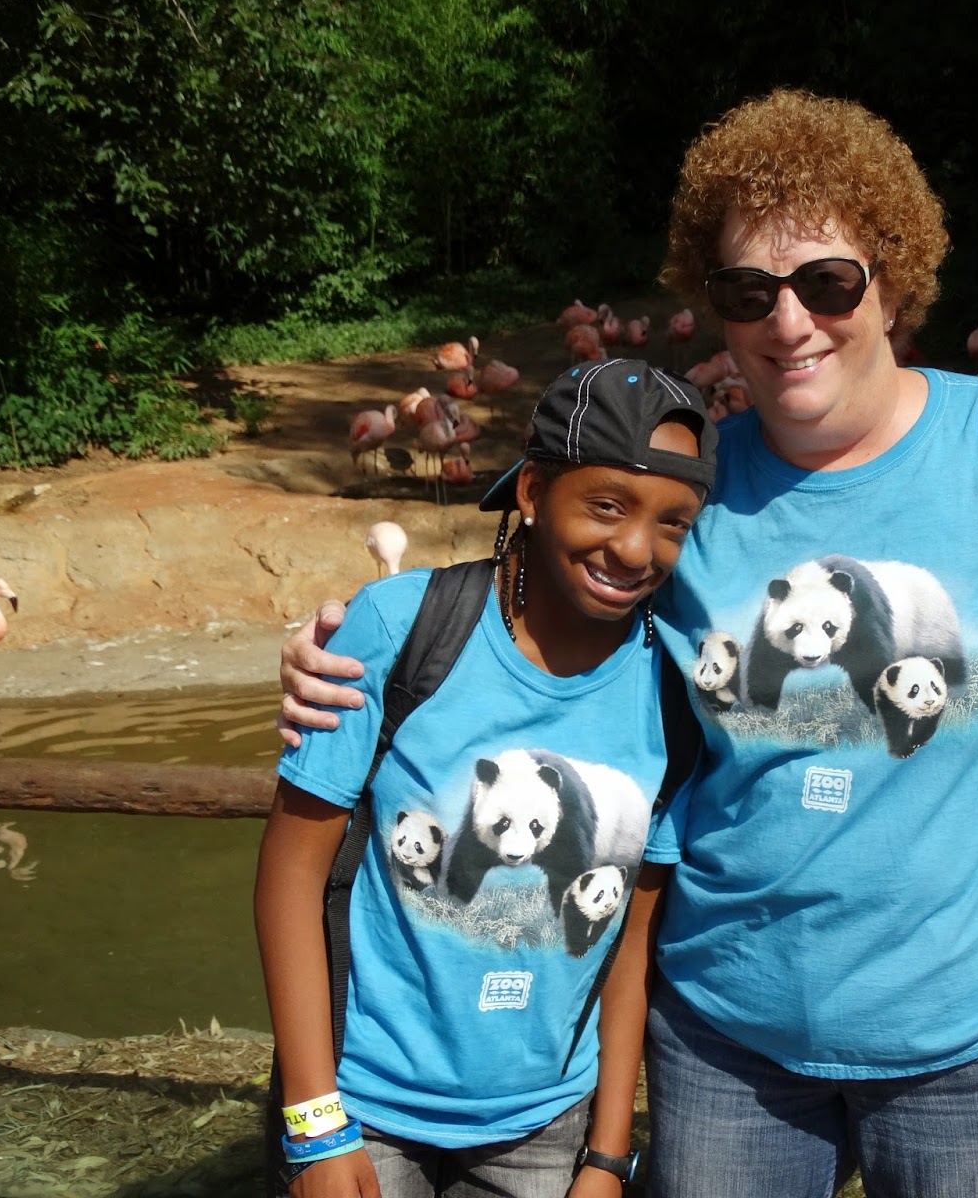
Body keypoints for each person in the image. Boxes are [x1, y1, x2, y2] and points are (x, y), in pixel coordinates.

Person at [278, 89, 978, 1198]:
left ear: (893, 280)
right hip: (727, 1043)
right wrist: (352, 642)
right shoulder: (692, 490)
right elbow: (539, 619)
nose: (788, 321)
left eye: (828, 282)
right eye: (748, 291)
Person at [256, 360, 716, 1198]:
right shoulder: (402, 627)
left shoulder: (670, 693)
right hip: (364, 1105)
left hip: (545, 1124)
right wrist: (315, 1125)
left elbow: (626, 939)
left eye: (673, 523)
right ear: (533, 490)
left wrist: (608, 1155)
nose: (635, 548)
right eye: (606, 505)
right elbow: (291, 875)